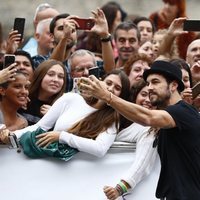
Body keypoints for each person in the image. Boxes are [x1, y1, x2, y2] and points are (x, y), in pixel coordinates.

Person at [81, 60, 200, 199]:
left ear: (173, 85)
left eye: (155, 82)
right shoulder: (170, 118)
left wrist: (107, 96)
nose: (149, 88)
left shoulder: (182, 112)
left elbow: (146, 117)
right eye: (148, 83)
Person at [0, 69, 130, 160]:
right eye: (108, 83)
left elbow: (100, 149)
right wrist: (13, 136)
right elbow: (40, 127)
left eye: (117, 88)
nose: (111, 88)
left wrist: (62, 136)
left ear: (121, 96)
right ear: (99, 81)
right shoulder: (71, 98)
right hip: (48, 163)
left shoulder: (112, 120)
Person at [104, 80, 157, 200]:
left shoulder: (151, 128)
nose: (147, 100)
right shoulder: (114, 116)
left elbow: (143, 162)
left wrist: (121, 187)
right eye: (143, 94)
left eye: (151, 96)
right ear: (135, 95)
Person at [19, 59, 66, 125]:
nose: (56, 80)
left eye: (60, 77)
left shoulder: (64, 107)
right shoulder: (22, 98)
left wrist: (55, 116)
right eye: (51, 74)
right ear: (40, 76)